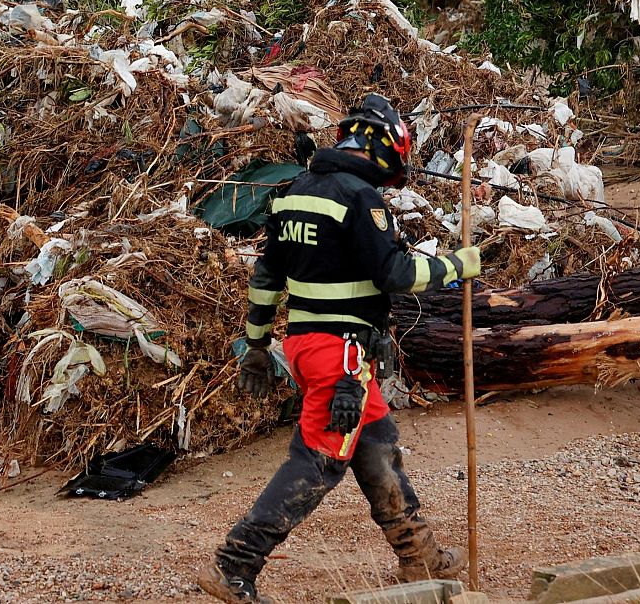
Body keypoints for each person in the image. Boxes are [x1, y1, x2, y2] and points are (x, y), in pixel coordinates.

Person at [198, 93, 481, 604]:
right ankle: (234, 564)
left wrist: (257, 345)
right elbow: (395, 274)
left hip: (308, 346)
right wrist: (456, 266)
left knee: (376, 445)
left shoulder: (295, 192)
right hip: (341, 356)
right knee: (318, 461)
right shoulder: (360, 198)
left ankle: (418, 554)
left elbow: (266, 279)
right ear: (385, 149)